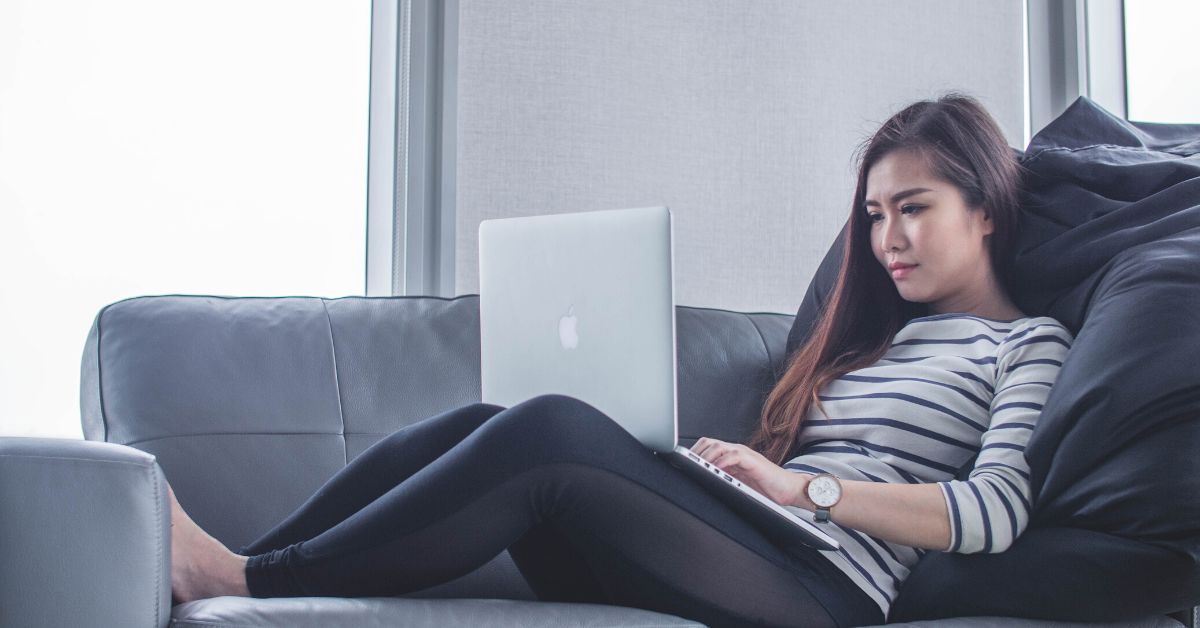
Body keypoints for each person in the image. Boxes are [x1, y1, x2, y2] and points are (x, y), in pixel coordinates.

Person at [168, 93, 1074, 628]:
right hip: (758, 549)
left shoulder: (1026, 343)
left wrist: (808, 490)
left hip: (829, 592)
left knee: (554, 430)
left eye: (912, 207)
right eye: (873, 216)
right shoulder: (870, 342)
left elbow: (994, 513)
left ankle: (245, 580)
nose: (887, 239)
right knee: (496, 423)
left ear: (986, 206)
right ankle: (251, 560)